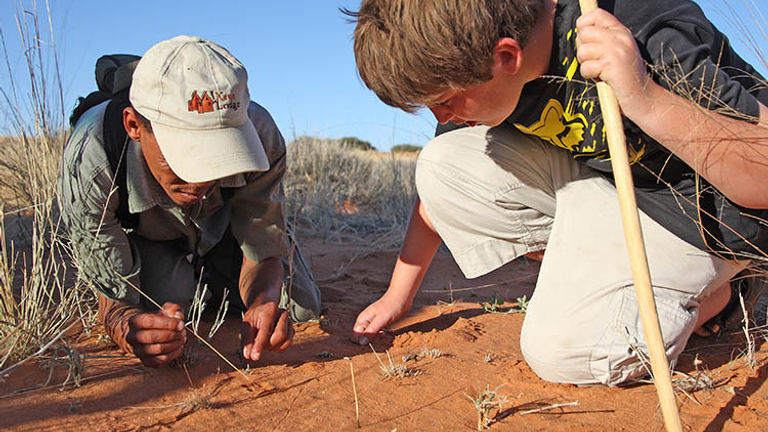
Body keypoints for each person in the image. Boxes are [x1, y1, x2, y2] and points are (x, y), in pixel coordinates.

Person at [346, 0, 768, 386]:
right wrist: (397, 297)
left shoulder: (636, 32)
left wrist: (644, 98)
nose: (443, 116)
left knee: (561, 352)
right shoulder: (480, 71)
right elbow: (436, 194)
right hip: (607, 188)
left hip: (704, 215)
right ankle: (602, 274)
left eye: (444, 101)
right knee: (441, 165)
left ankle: (725, 296)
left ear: (507, 56)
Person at [58, 36, 321, 367]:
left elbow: (262, 250)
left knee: (301, 306)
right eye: (184, 156)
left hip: (226, 228)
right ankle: (192, 281)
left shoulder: (262, 136)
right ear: (134, 125)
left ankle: (215, 279)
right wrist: (126, 326)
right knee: (166, 300)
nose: (199, 182)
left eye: (218, 155)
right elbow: (114, 298)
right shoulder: (91, 158)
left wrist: (262, 301)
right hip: (153, 238)